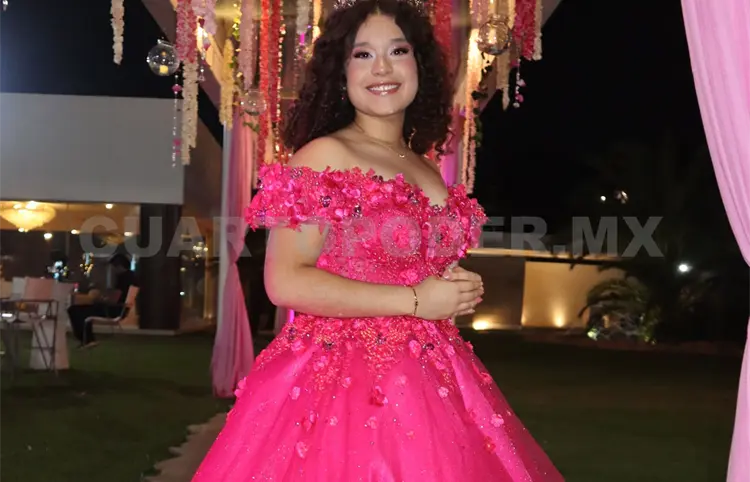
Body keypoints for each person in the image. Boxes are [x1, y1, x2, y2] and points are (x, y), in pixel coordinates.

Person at [192, 0, 564, 480]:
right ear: (340, 73)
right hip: (345, 387)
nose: (382, 68)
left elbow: (407, 264)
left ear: (419, 64)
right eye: (362, 55)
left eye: (398, 51)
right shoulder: (324, 154)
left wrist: (453, 288)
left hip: (435, 377)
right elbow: (285, 282)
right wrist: (416, 300)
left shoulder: (424, 164)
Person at [67, 253, 135, 348]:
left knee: (75, 310)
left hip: (113, 309)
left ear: (119, 266)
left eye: (113, 267)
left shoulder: (123, 278)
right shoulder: (131, 277)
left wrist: (101, 298)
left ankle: (87, 339)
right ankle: (87, 339)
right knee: (81, 310)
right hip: (119, 308)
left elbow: (114, 298)